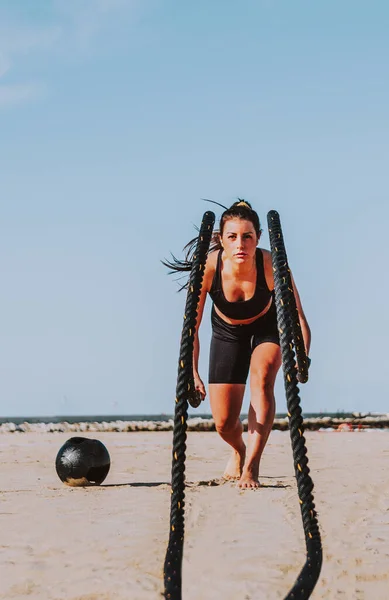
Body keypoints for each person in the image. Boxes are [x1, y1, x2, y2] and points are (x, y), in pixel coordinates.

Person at [165, 200, 310, 488]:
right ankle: (239, 450)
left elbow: (299, 320)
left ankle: (252, 467)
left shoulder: (271, 264)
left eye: (247, 236)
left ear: (258, 237)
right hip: (227, 334)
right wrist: (192, 372)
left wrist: (301, 358)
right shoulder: (208, 267)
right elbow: (191, 330)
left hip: (266, 329)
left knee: (264, 375)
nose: (240, 244)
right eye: (232, 237)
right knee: (223, 422)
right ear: (221, 239)